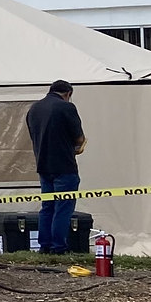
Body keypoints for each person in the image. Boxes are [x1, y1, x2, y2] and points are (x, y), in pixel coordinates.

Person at [25, 80, 87, 255]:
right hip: (64, 164)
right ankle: (59, 246)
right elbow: (79, 138)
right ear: (68, 94)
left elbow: (33, 136)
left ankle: (44, 245)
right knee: (64, 206)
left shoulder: (34, 109)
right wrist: (77, 147)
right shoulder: (66, 108)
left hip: (43, 164)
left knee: (48, 206)